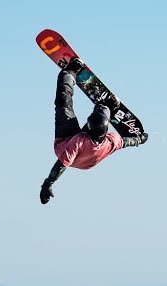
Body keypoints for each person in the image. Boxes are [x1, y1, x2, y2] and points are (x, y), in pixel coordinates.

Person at [40, 59, 147, 205]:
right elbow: (127, 142)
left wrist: (47, 184)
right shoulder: (112, 141)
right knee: (101, 114)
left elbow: (61, 164)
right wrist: (140, 139)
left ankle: (69, 73)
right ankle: (106, 107)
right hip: (82, 157)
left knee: (63, 103)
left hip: (64, 142)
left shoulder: (80, 141)